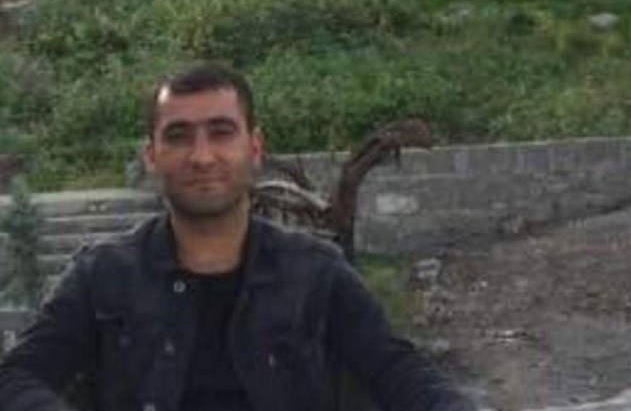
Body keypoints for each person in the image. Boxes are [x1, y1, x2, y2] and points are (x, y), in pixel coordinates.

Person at [0, 62, 477, 411]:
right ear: (151, 156)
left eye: (221, 132)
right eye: (179, 136)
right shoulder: (102, 276)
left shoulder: (315, 272)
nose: (202, 156)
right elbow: (18, 377)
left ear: (254, 147)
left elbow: (398, 371)